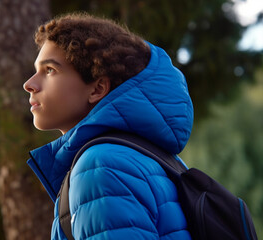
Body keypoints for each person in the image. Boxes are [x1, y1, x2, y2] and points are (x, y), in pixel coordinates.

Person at [24, 12, 193, 240]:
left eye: (50, 70)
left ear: (96, 89)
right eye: (36, 70)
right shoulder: (148, 158)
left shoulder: (100, 167)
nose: (29, 84)